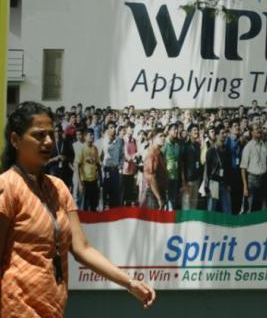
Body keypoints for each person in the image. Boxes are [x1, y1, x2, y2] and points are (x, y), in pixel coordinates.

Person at [0, 102, 155, 317]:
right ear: (16, 140)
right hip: (14, 309)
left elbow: (82, 249)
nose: (48, 142)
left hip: (53, 308)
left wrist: (129, 283)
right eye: (38, 135)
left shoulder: (58, 188)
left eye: (50, 134)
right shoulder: (6, 187)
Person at [240, 123, 267, 212]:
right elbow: (243, 168)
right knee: (250, 208)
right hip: (252, 180)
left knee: (262, 208)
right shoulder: (248, 147)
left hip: (263, 179)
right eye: (256, 129)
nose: (259, 130)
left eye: (259, 128)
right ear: (252, 132)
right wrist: (245, 187)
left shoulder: (264, 145)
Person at [205, 126, 232, 213]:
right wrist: (207, 187)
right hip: (214, 183)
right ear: (216, 135)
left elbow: (228, 168)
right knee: (211, 209)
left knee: (227, 210)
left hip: (224, 183)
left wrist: (229, 183)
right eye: (222, 133)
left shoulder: (227, 150)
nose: (224, 135)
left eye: (225, 133)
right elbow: (207, 170)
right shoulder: (211, 151)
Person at [143, 128, 168, 209]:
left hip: (160, 191)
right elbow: (151, 178)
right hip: (154, 194)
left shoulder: (160, 153)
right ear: (153, 139)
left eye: (164, 136)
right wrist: (159, 198)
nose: (163, 138)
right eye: (160, 136)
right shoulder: (152, 154)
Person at [78, 129, 101, 211]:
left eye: (93, 135)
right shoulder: (81, 148)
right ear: (85, 137)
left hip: (94, 180)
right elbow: (77, 166)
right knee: (85, 206)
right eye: (90, 135)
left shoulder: (95, 149)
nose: (92, 136)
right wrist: (80, 183)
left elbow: (98, 164)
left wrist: (100, 179)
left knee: (93, 205)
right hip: (85, 181)